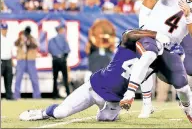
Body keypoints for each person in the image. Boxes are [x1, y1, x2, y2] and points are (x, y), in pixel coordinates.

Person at [18, 29, 169, 121]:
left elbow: (165, 76)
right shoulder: (128, 44)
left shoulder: (153, 62)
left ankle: (107, 112)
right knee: (60, 113)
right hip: (95, 87)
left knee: (104, 119)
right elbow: (129, 34)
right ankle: (42, 113)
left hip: (114, 101)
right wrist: (156, 34)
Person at [137, 0, 190, 118]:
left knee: (178, 62)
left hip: (172, 31)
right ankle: (146, 103)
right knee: (146, 61)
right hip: (153, 26)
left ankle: (183, 96)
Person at [14, 26, 41, 99]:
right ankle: (16, 96)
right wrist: (21, 40)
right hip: (21, 60)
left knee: (34, 79)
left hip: (30, 60)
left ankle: (37, 96)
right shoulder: (20, 38)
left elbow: (36, 45)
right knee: (18, 78)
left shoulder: (32, 39)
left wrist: (29, 41)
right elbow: (15, 43)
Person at [48, 24, 71, 99]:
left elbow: (50, 50)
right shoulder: (64, 39)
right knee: (65, 77)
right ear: (60, 30)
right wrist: (64, 58)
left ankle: (54, 95)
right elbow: (67, 50)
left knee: (55, 78)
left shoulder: (52, 40)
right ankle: (68, 94)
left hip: (55, 60)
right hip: (62, 60)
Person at [1, 23, 14, 100]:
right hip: (1, 60)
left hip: (8, 60)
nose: (4, 31)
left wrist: (11, 60)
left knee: (9, 78)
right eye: (3, 29)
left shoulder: (9, 38)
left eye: (5, 29)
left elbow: (10, 50)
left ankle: (9, 95)